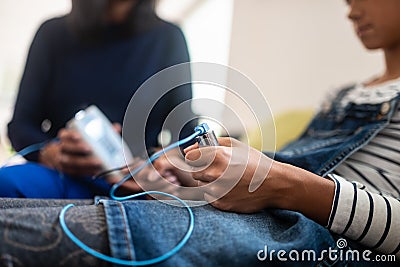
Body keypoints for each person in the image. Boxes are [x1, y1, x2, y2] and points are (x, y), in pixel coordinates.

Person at [0, 0, 399, 266]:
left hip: (149, 179)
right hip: (100, 176)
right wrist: (54, 153)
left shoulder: (166, 38)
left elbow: (187, 123)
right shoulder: (343, 97)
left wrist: (183, 154)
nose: (349, 8)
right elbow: (21, 124)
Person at [0, 0, 196, 198]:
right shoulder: (52, 34)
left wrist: (157, 163)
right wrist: (49, 153)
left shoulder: (168, 38)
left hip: (137, 181)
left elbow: (186, 133)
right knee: (5, 183)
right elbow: (20, 125)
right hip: (63, 175)